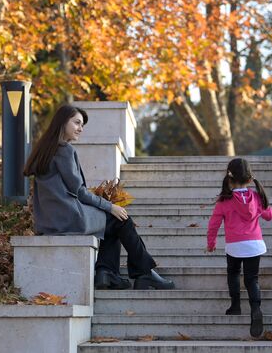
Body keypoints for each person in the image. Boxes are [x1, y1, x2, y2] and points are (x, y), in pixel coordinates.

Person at [23, 104, 174, 290]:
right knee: (121, 219)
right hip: (69, 219)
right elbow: (79, 191)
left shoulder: (45, 151)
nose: (80, 128)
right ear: (62, 122)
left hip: (50, 221)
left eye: (82, 125)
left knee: (111, 223)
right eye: (77, 123)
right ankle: (144, 273)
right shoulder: (65, 150)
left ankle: (107, 273)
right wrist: (110, 206)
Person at [206, 158, 272, 338]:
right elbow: (269, 216)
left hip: (234, 246)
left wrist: (211, 243)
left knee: (234, 273)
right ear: (250, 179)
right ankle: (256, 309)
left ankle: (235, 305)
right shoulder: (257, 197)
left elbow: (213, 225)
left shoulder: (224, 200)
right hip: (254, 245)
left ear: (229, 179)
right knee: (252, 279)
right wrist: (265, 205)